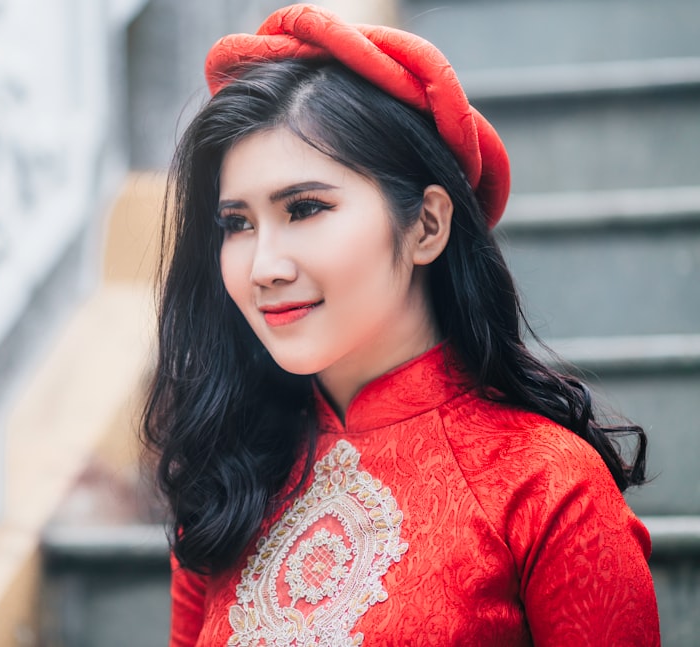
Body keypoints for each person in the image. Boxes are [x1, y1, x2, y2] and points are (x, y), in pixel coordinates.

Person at [140, 4, 660, 646]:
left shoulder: (544, 485)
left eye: (305, 208)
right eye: (236, 223)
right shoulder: (228, 482)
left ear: (427, 225)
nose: (264, 267)